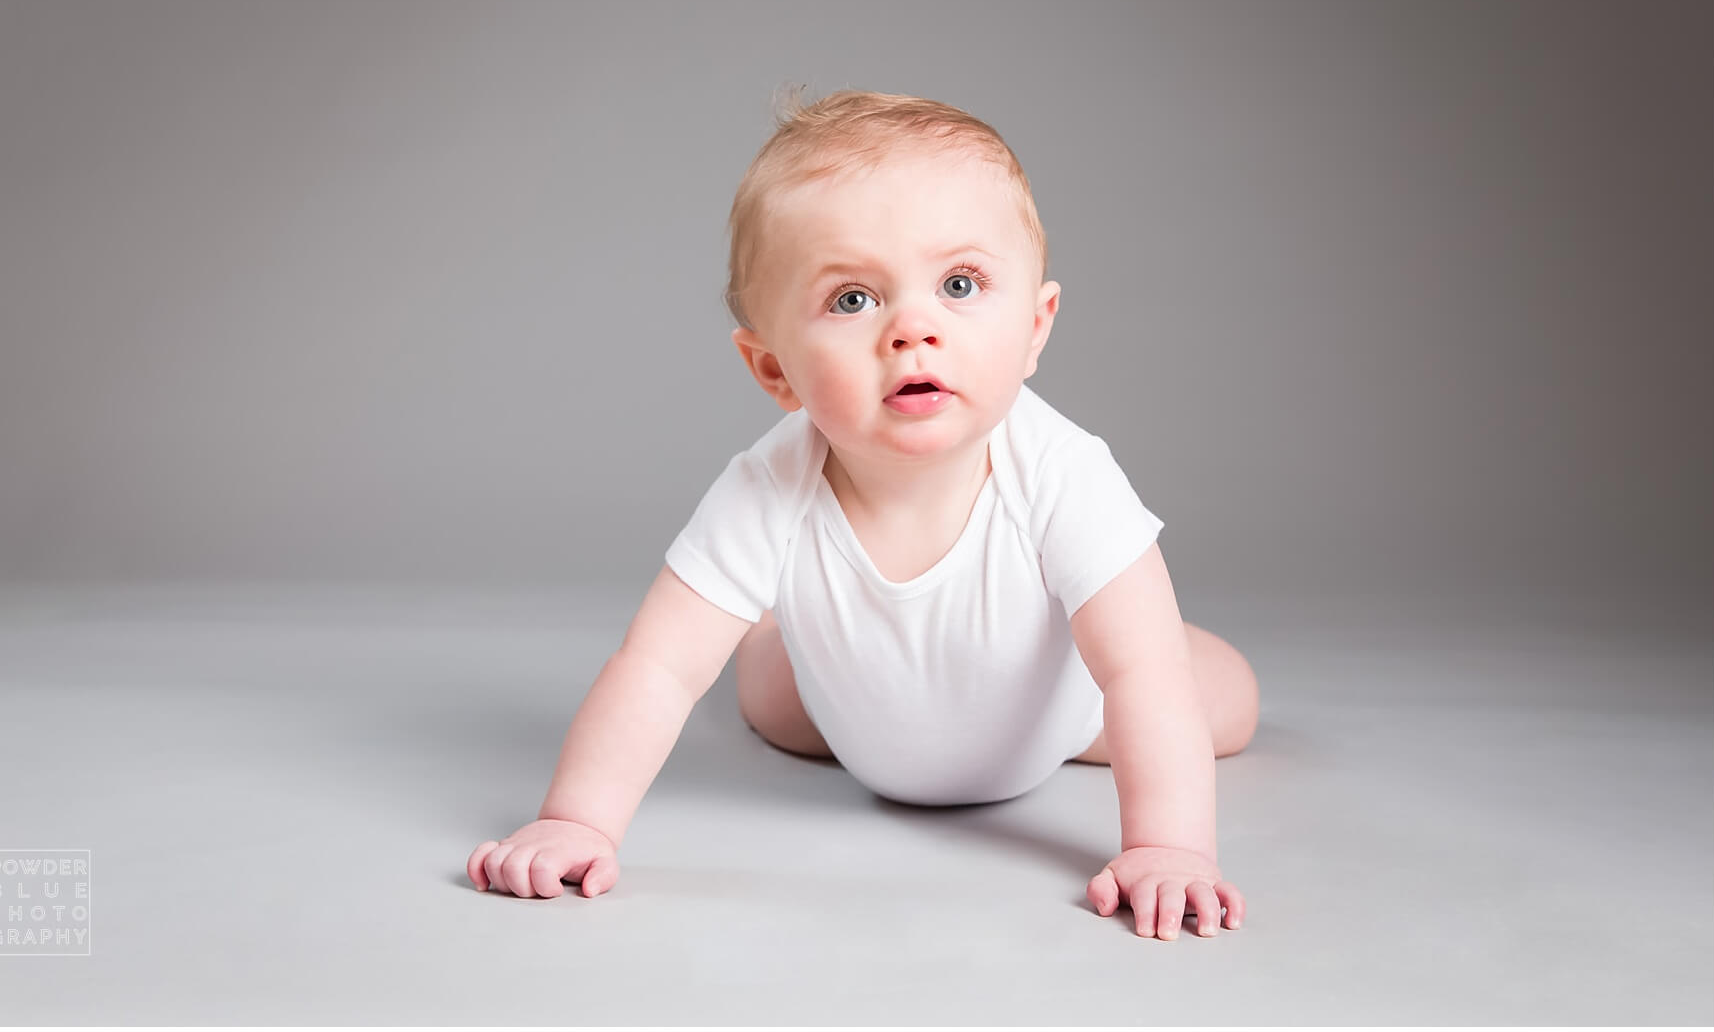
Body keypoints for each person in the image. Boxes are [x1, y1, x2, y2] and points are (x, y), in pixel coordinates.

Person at [467, 89, 1260, 940]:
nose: (913, 329)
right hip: (851, 722)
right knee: (762, 691)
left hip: (1061, 719)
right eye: (853, 300)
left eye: (960, 284)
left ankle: (1131, 647)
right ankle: (796, 626)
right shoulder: (766, 486)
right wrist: (577, 821)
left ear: (1035, 327)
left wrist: (1169, 846)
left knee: (1199, 687)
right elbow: (656, 670)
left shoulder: (1065, 473)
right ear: (774, 371)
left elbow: (1139, 676)